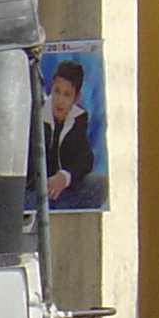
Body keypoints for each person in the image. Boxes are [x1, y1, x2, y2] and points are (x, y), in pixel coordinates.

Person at [43, 58, 96, 208]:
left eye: (67, 95)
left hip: (64, 190)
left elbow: (85, 158)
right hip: (37, 189)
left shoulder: (78, 118)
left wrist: (65, 176)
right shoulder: (37, 114)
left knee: (98, 183)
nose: (59, 100)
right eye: (56, 91)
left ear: (76, 98)